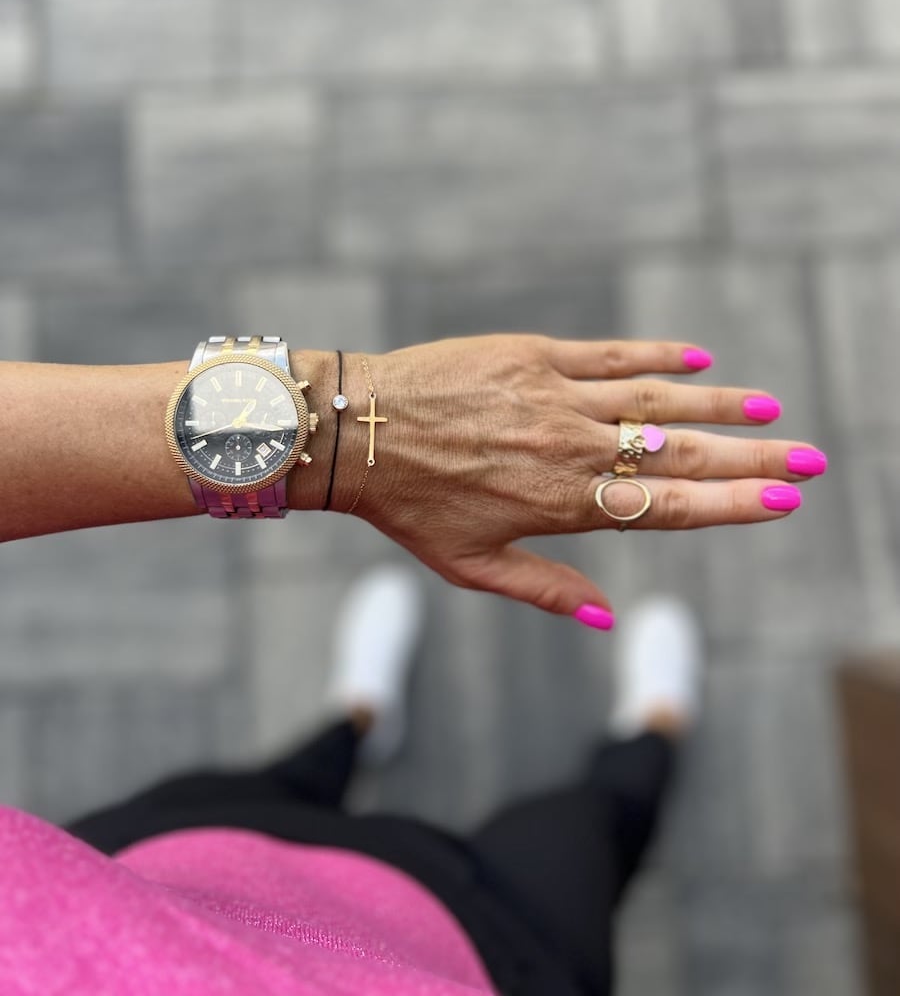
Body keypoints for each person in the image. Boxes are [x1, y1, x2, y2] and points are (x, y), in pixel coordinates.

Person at [0, 333, 828, 994]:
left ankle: (362, 717)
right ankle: (656, 723)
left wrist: (345, 428)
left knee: (301, 767)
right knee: (595, 818)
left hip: (166, 856)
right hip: (493, 957)